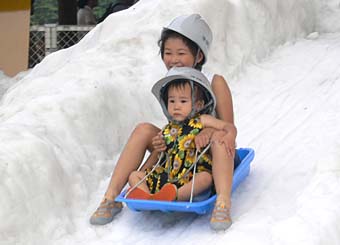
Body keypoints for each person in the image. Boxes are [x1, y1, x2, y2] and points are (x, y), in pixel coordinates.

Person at [90, 14, 238, 231]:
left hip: (209, 155)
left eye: (181, 53)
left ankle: (222, 203)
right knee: (143, 130)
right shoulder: (172, 82)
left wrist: (207, 130)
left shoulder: (214, 81)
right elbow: (175, 130)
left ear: (198, 55)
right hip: (180, 156)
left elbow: (228, 130)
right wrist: (160, 146)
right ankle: (110, 198)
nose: (173, 59)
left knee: (218, 137)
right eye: (168, 53)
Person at [127, 67, 235, 202]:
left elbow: (227, 126)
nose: (176, 106)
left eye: (183, 101)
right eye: (172, 101)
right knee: (134, 175)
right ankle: (148, 196)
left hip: (191, 175)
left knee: (205, 179)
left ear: (198, 104)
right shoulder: (168, 128)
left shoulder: (202, 120)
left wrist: (230, 135)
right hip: (167, 177)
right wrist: (158, 145)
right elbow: (158, 157)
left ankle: (175, 195)